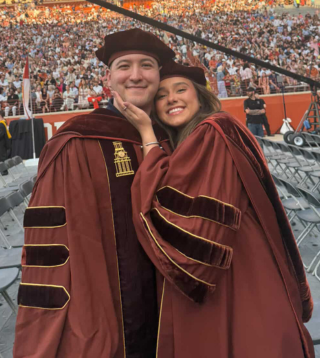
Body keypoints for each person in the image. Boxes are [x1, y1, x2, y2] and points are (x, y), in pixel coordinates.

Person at [114, 60, 314, 358]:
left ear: (200, 95)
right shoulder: (205, 134)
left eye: (181, 89)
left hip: (236, 276)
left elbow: (172, 213)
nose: (171, 99)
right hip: (247, 262)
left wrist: (146, 134)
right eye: (161, 95)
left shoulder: (211, 132)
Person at [13, 29, 175, 358]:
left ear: (159, 76)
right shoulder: (76, 142)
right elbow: (50, 247)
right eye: (124, 66)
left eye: (146, 65)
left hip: (176, 308)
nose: (136, 75)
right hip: (107, 311)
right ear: (108, 78)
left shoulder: (176, 139)